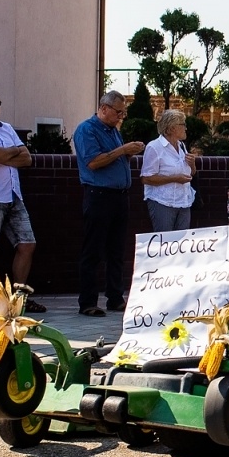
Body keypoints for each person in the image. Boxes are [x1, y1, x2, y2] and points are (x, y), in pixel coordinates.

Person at [72, 91, 143, 317]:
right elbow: (94, 162)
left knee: (116, 249)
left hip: (119, 196)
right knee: (93, 249)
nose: (121, 117)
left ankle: (115, 296)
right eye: (118, 112)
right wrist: (122, 150)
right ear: (103, 108)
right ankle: (88, 301)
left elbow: (113, 159)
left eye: (123, 112)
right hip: (99, 195)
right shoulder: (87, 130)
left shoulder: (113, 131)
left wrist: (128, 154)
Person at [0, 89, 43, 311]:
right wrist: (12, 152)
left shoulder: (7, 128)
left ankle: (18, 298)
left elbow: (27, 158)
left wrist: (3, 154)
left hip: (14, 195)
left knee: (27, 244)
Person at [142, 109, 196, 233]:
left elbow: (191, 173)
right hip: (163, 202)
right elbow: (146, 178)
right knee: (164, 243)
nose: (186, 128)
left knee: (181, 244)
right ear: (172, 128)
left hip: (184, 201)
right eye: (183, 124)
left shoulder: (181, 146)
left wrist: (192, 165)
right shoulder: (154, 147)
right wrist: (174, 178)